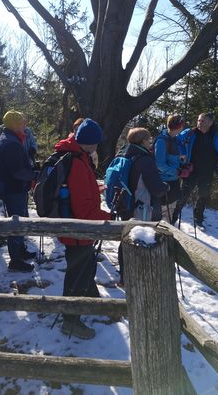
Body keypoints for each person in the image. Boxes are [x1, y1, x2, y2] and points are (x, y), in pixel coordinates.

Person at [55, 118, 110, 339]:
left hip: (78, 230)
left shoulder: (78, 156)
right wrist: (108, 218)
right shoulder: (77, 163)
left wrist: (94, 188)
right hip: (77, 230)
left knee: (86, 266)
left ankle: (92, 301)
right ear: (90, 142)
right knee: (76, 275)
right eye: (96, 142)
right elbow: (83, 210)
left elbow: (82, 194)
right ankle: (70, 321)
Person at [116, 127, 168, 285]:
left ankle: (124, 275)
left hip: (126, 204)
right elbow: (156, 189)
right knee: (140, 240)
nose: (151, 141)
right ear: (143, 141)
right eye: (149, 139)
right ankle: (138, 278)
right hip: (142, 207)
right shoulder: (145, 159)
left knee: (125, 237)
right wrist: (166, 187)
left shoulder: (123, 154)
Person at [0, 110, 36, 272]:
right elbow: (17, 171)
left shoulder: (11, 138)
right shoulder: (10, 143)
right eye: (22, 122)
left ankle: (21, 251)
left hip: (15, 188)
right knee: (16, 223)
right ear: (14, 125)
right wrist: (34, 175)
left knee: (21, 220)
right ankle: (15, 260)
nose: (25, 124)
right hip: (14, 189)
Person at [172, 113, 218, 227]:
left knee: (203, 195)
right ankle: (173, 216)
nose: (199, 123)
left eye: (203, 121)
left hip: (208, 170)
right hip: (191, 168)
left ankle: (198, 218)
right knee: (184, 193)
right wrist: (183, 154)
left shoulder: (217, 134)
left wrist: (217, 160)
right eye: (199, 120)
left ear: (211, 123)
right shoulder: (190, 132)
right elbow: (177, 141)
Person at [154, 114, 185, 223]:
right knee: (164, 212)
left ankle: (166, 233)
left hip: (173, 181)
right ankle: (162, 234)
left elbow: (173, 159)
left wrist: (183, 164)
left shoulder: (175, 139)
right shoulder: (162, 141)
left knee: (170, 210)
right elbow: (159, 164)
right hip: (164, 182)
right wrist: (176, 171)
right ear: (179, 127)